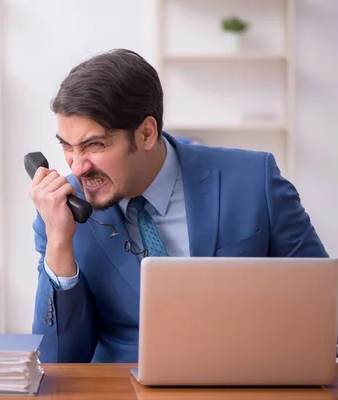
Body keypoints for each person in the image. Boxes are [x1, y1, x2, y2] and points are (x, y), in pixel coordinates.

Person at [28, 48, 329, 364]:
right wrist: (59, 243)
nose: (77, 168)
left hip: (246, 381)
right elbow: (58, 361)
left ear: (146, 133)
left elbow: (323, 307)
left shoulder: (255, 181)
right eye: (67, 147)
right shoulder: (62, 212)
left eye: (94, 145)